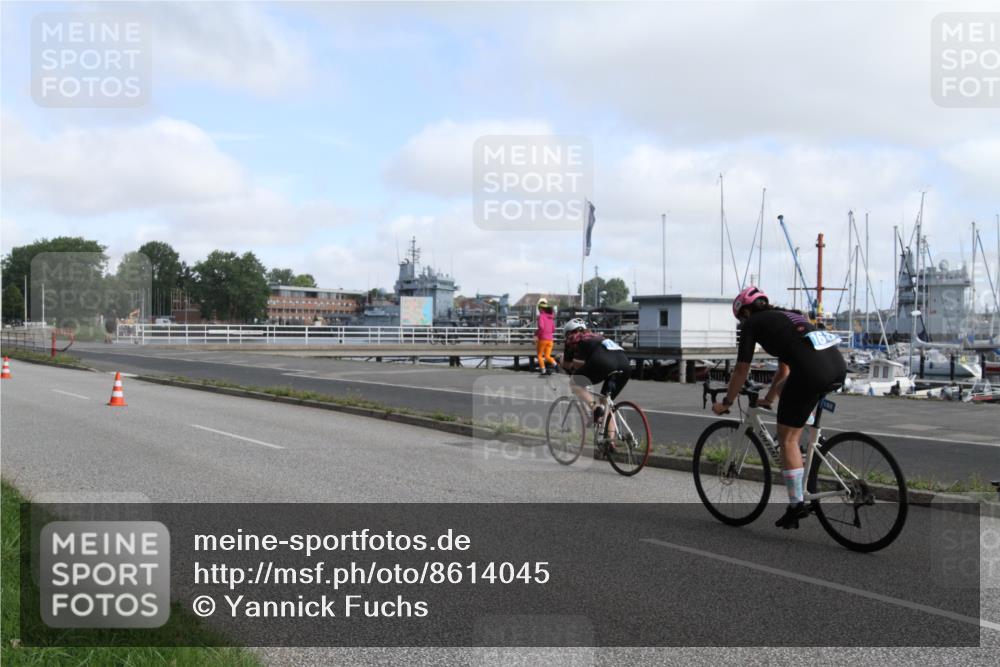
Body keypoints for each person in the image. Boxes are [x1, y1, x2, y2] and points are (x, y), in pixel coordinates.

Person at [712, 286, 846, 529]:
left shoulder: (752, 325)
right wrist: (769, 398)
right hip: (836, 366)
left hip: (811, 371)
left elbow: (742, 369)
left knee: (786, 439)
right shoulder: (787, 316)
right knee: (787, 390)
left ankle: (796, 506)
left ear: (745, 313)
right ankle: (805, 441)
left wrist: (726, 403)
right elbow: (784, 370)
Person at [559, 318, 631, 449]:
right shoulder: (597, 336)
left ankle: (595, 409)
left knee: (574, 383)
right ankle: (610, 441)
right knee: (606, 402)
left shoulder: (573, 339)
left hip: (603, 362)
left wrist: (561, 359)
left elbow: (570, 364)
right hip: (624, 363)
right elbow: (587, 360)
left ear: (568, 333)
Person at [535, 298, 557, 375]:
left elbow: (541, 327)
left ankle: (543, 370)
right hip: (550, 340)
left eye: (539, 308)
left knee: (540, 355)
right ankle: (556, 365)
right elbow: (553, 329)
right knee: (547, 356)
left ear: (540, 308)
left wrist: (536, 334)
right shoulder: (551, 317)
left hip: (543, 339)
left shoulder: (541, 316)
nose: (538, 310)